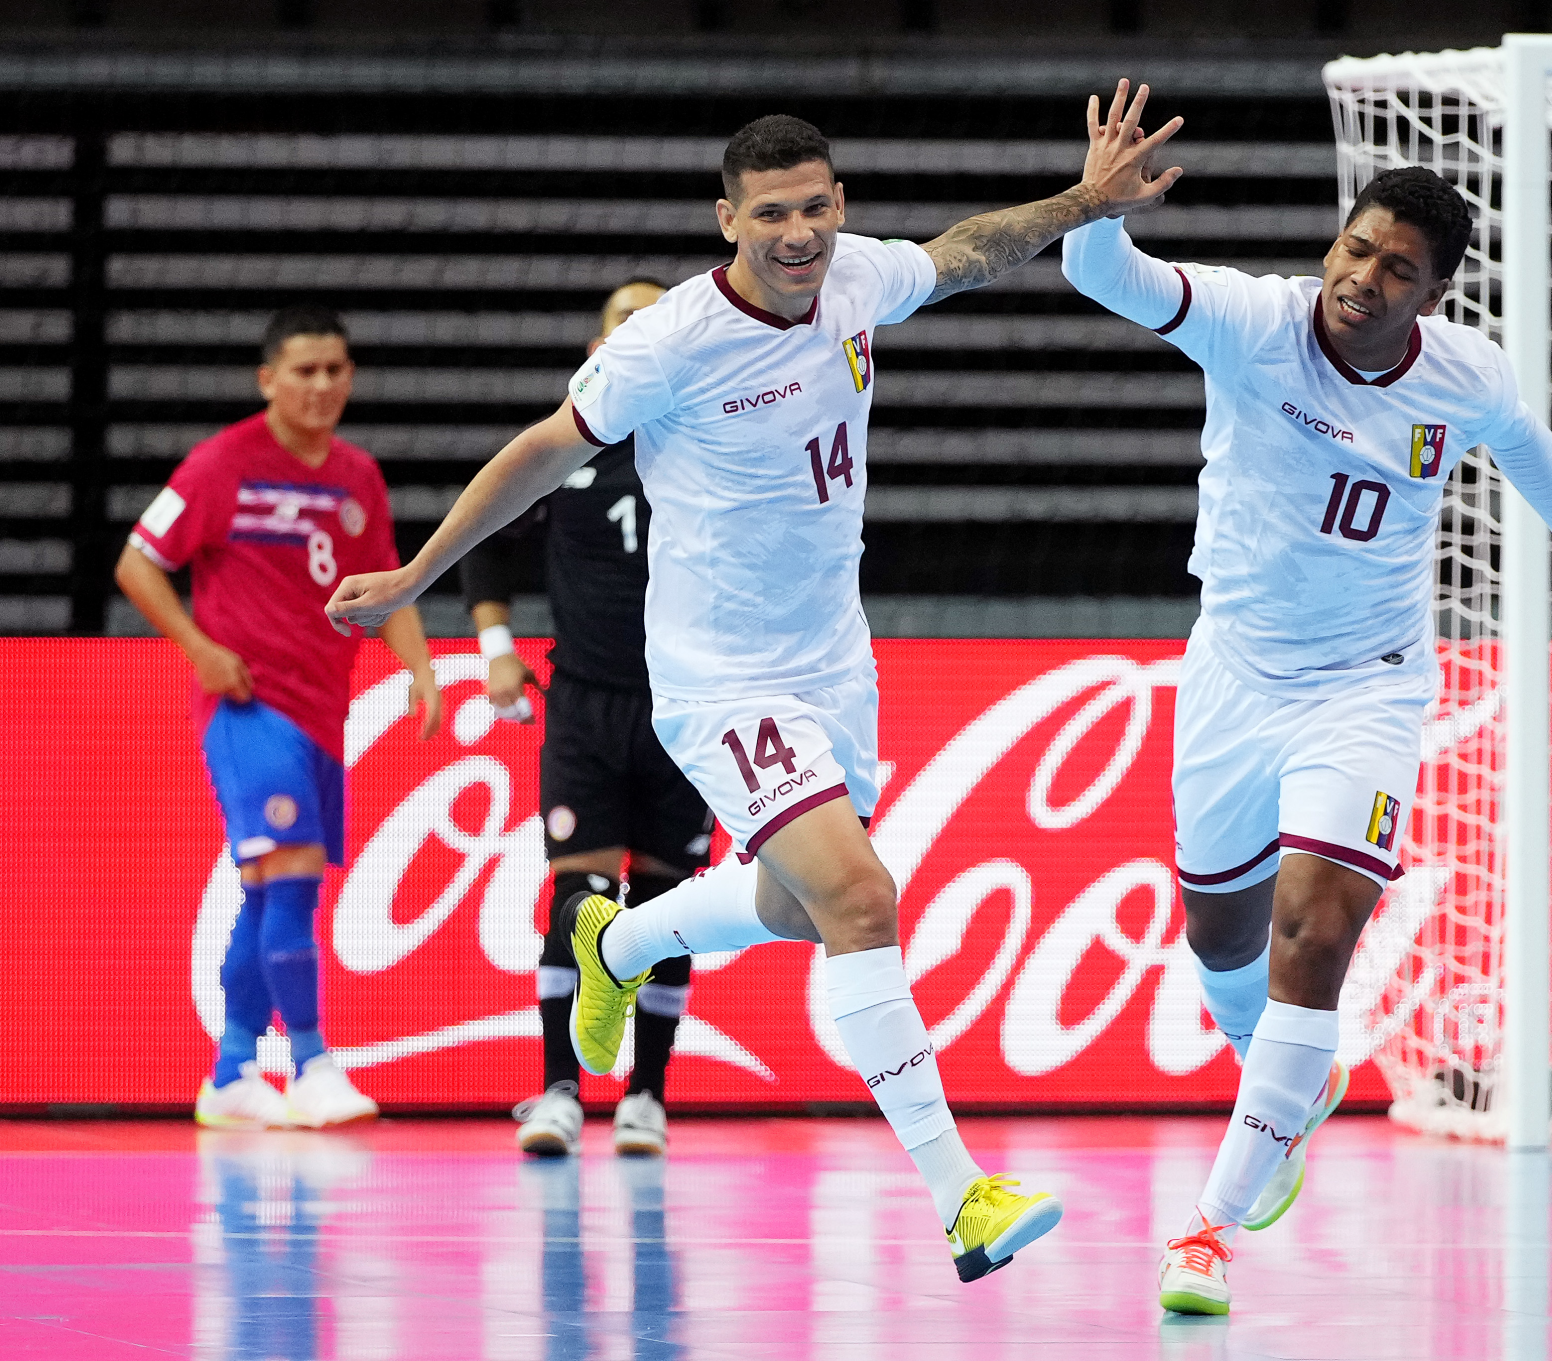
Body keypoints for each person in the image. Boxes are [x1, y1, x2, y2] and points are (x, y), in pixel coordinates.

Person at [325, 85, 1182, 1283]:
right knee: (861, 903)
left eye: (817, 209)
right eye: (771, 213)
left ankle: (618, 943)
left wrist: (1088, 200)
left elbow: (969, 251)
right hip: (721, 679)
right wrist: (420, 567)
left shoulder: (859, 279)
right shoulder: (668, 342)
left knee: (789, 910)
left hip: (835, 657)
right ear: (723, 217)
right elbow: (537, 451)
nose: (798, 234)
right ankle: (961, 1198)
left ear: (842, 206)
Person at [1062, 165, 1552, 1315]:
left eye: (1395, 268)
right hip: (1232, 671)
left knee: (1312, 929)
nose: (1360, 277)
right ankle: (1281, 1082)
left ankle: (1207, 1229)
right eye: (1354, 248)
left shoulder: (1461, 373)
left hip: (1368, 688)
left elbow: (1522, 441)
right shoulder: (1254, 322)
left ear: (1430, 294)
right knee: (1219, 928)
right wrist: (1100, 207)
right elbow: (1106, 276)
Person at [116, 305, 443, 1130]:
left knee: (272, 888)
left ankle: (230, 1072)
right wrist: (198, 648)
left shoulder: (358, 475)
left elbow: (385, 586)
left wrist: (422, 669)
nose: (323, 385)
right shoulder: (221, 462)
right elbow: (137, 562)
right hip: (248, 706)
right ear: (268, 378)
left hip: (324, 709)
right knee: (290, 870)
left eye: (336, 369)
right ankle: (310, 1062)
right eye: (305, 370)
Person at [463, 277, 717, 1159]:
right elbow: (484, 538)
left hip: (688, 709)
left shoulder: (711, 444)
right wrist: (496, 644)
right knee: (579, 897)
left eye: (658, 320)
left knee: (666, 902)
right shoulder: (563, 446)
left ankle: (647, 1094)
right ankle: (558, 1090)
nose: (641, 333)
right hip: (583, 703)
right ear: (597, 349)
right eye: (624, 322)